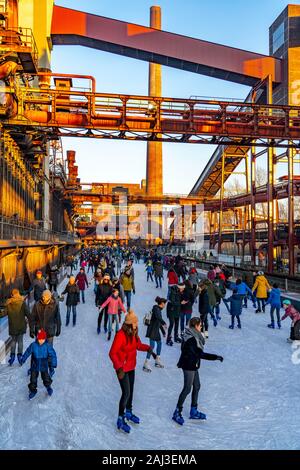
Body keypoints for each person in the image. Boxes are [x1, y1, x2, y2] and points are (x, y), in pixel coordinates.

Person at [109, 310, 155, 433]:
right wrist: (119, 368)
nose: (137, 323)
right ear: (130, 323)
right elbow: (112, 353)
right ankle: (120, 418)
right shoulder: (120, 335)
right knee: (126, 393)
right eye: (135, 322)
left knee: (131, 391)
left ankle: (128, 412)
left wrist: (148, 348)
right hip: (122, 369)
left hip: (131, 367)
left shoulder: (134, 333)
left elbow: (138, 345)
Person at [172, 317, 223, 425]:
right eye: (200, 325)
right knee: (187, 388)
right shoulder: (191, 339)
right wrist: (215, 357)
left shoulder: (194, 336)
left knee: (197, 386)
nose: (201, 327)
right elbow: (199, 354)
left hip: (193, 364)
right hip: (188, 365)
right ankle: (177, 412)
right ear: (196, 326)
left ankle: (193, 410)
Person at [20, 329, 57, 400]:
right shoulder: (33, 345)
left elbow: (53, 354)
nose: (41, 341)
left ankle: (48, 387)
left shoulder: (47, 346)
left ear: (45, 339)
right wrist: (23, 359)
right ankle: (33, 390)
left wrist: (53, 363)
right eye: (40, 339)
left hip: (44, 364)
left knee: (46, 377)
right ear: (37, 338)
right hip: (35, 365)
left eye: (43, 339)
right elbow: (27, 352)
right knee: (33, 379)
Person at [0, 289, 30, 366]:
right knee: (20, 341)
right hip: (21, 326)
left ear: (12, 295)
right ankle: (20, 356)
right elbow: (28, 313)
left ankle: (12, 356)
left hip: (13, 326)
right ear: (19, 294)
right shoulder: (22, 303)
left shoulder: (9, 303)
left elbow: (4, 313)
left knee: (13, 342)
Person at [143, 297, 167, 372]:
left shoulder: (158, 310)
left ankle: (157, 359)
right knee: (152, 346)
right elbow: (158, 317)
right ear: (162, 304)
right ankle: (146, 363)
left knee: (159, 344)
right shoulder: (156, 309)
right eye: (164, 304)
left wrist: (163, 332)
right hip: (152, 330)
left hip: (156, 330)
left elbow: (158, 321)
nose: (165, 305)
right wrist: (164, 323)